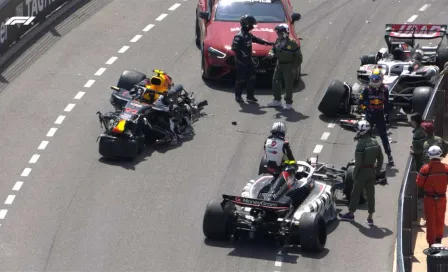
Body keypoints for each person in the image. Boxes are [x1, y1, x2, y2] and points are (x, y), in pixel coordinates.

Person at [339, 120, 384, 225]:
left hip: (362, 172)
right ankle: (370, 218)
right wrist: (377, 171)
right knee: (371, 194)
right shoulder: (375, 141)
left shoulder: (360, 144)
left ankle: (350, 214)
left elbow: (358, 163)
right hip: (372, 171)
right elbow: (381, 159)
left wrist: (355, 174)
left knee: (355, 193)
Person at [231, 14, 274, 103]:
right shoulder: (239, 36)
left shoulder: (248, 35)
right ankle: (238, 96)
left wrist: (269, 43)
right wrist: (242, 57)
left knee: (252, 78)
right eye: (252, 25)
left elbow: (257, 40)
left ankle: (250, 96)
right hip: (241, 62)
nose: (253, 27)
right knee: (241, 79)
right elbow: (234, 49)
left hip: (249, 61)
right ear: (247, 25)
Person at [358, 67, 394, 166]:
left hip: (380, 115)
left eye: (376, 78)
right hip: (369, 115)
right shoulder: (366, 89)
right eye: (373, 78)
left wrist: (387, 115)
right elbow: (360, 102)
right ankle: (364, 156)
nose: (374, 80)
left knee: (384, 136)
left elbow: (386, 103)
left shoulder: (385, 89)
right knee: (365, 136)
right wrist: (366, 109)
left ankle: (389, 156)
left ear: (381, 78)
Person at [416, 145, 448, 247]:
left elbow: (419, 183)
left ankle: (431, 244)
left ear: (429, 155)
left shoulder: (425, 169)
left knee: (430, 221)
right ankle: (438, 241)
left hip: (429, 199)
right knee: (440, 219)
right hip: (442, 198)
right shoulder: (446, 168)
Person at [266, 23, 302, 110]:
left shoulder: (293, 43)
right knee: (275, 81)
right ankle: (277, 100)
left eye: (280, 33)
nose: (278, 35)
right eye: (278, 33)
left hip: (288, 65)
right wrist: (271, 53)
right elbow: (273, 49)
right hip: (279, 64)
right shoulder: (278, 40)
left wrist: (294, 67)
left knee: (288, 84)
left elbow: (299, 57)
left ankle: (288, 102)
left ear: (286, 33)